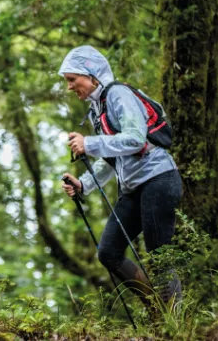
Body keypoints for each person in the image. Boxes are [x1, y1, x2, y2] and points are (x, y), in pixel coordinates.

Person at [59, 45, 182, 308]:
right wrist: (84, 185)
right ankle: (157, 310)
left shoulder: (118, 94)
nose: (69, 87)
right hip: (133, 188)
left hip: (158, 178)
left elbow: (136, 139)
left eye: (72, 79)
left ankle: (175, 321)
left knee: (160, 255)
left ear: (91, 75)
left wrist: (89, 143)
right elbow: (112, 158)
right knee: (108, 252)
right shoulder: (98, 108)